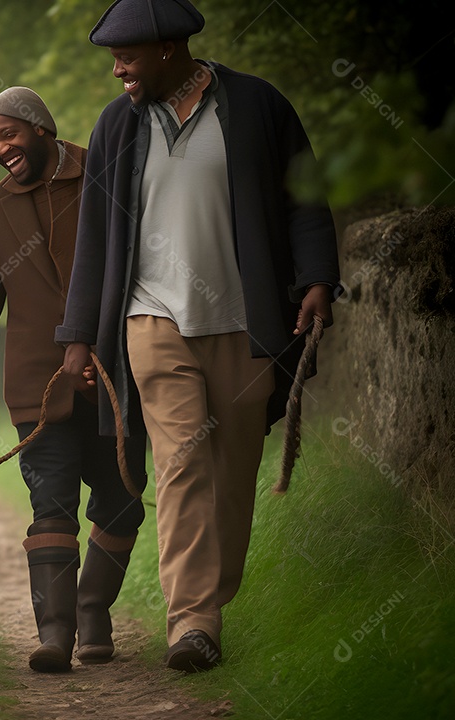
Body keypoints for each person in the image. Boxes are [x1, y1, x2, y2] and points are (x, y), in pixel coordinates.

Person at [57, 0, 340, 672]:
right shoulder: (116, 127)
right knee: (182, 464)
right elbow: (94, 236)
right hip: (150, 318)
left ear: (169, 49)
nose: (118, 68)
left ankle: (213, 604)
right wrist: (77, 334)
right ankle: (192, 622)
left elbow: (305, 202)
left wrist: (319, 279)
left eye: (127, 55)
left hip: (246, 322)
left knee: (231, 472)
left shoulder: (259, 108)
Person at [0, 87, 147, 673]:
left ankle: (92, 612)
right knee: (50, 501)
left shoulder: (100, 170)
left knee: (122, 497)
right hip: (35, 382)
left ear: (41, 129)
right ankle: (54, 634)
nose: (1, 149)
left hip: (113, 371)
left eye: (9, 135)